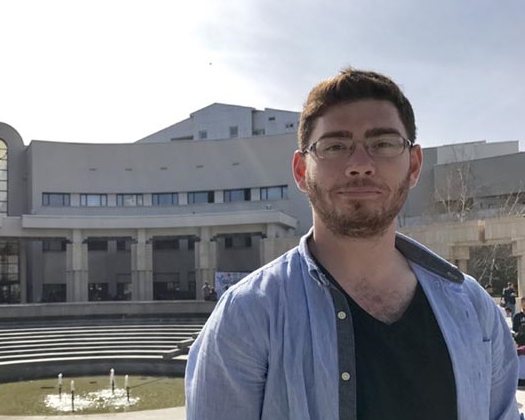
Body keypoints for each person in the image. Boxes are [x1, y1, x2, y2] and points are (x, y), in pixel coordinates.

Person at [185, 68, 519, 419]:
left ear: (414, 165)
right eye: (335, 146)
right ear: (301, 171)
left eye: (383, 144)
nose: (360, 165)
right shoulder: (248, 316)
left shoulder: (474, 309)